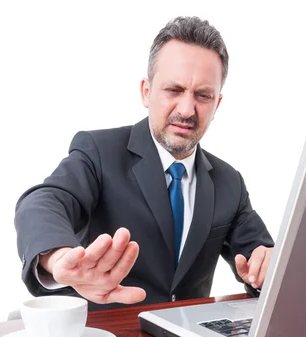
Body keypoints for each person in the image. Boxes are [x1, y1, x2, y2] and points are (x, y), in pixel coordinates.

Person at [15, 16, 274, 310]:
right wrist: (57, 256)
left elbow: (266, 261)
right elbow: (43, 202)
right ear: (146, 92)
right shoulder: (100, 153)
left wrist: (267, 270)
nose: (187, 110)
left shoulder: (229, 182)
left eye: (203, 95)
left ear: (217, 104)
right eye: (174, 90)